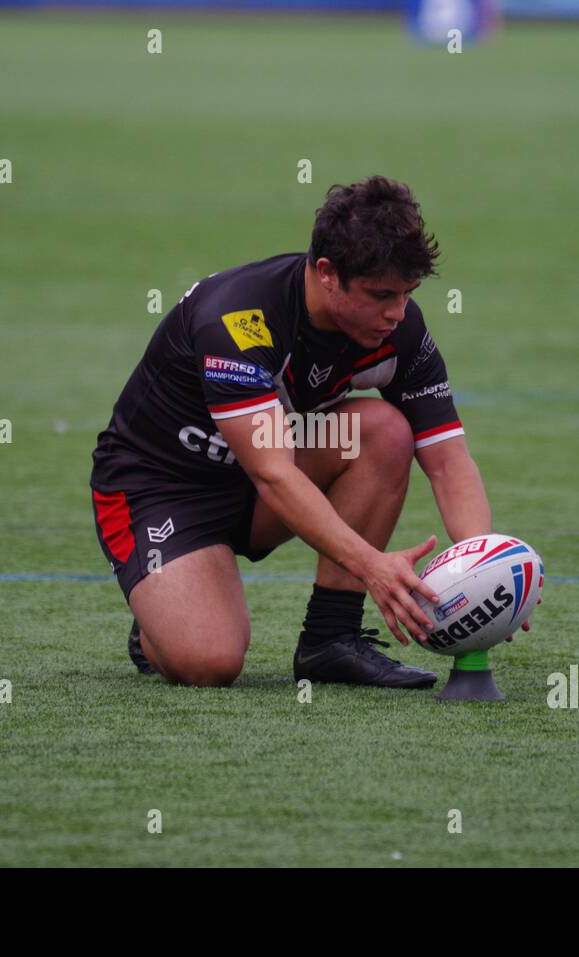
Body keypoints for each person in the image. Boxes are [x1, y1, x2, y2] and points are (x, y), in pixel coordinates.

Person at [91, 174, 511, 689]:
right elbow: (274, 475)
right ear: (328, 273)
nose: (397, 313)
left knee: (384, 432)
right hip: (159, 489)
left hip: (261, 482)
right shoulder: (240, 317)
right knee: (209, 663)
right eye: (381, 295)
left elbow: (448, 461)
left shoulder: (397, 328)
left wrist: (490, 567)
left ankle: (330, 641)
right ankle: (161, 610)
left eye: (408, 294)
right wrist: (373, 565)